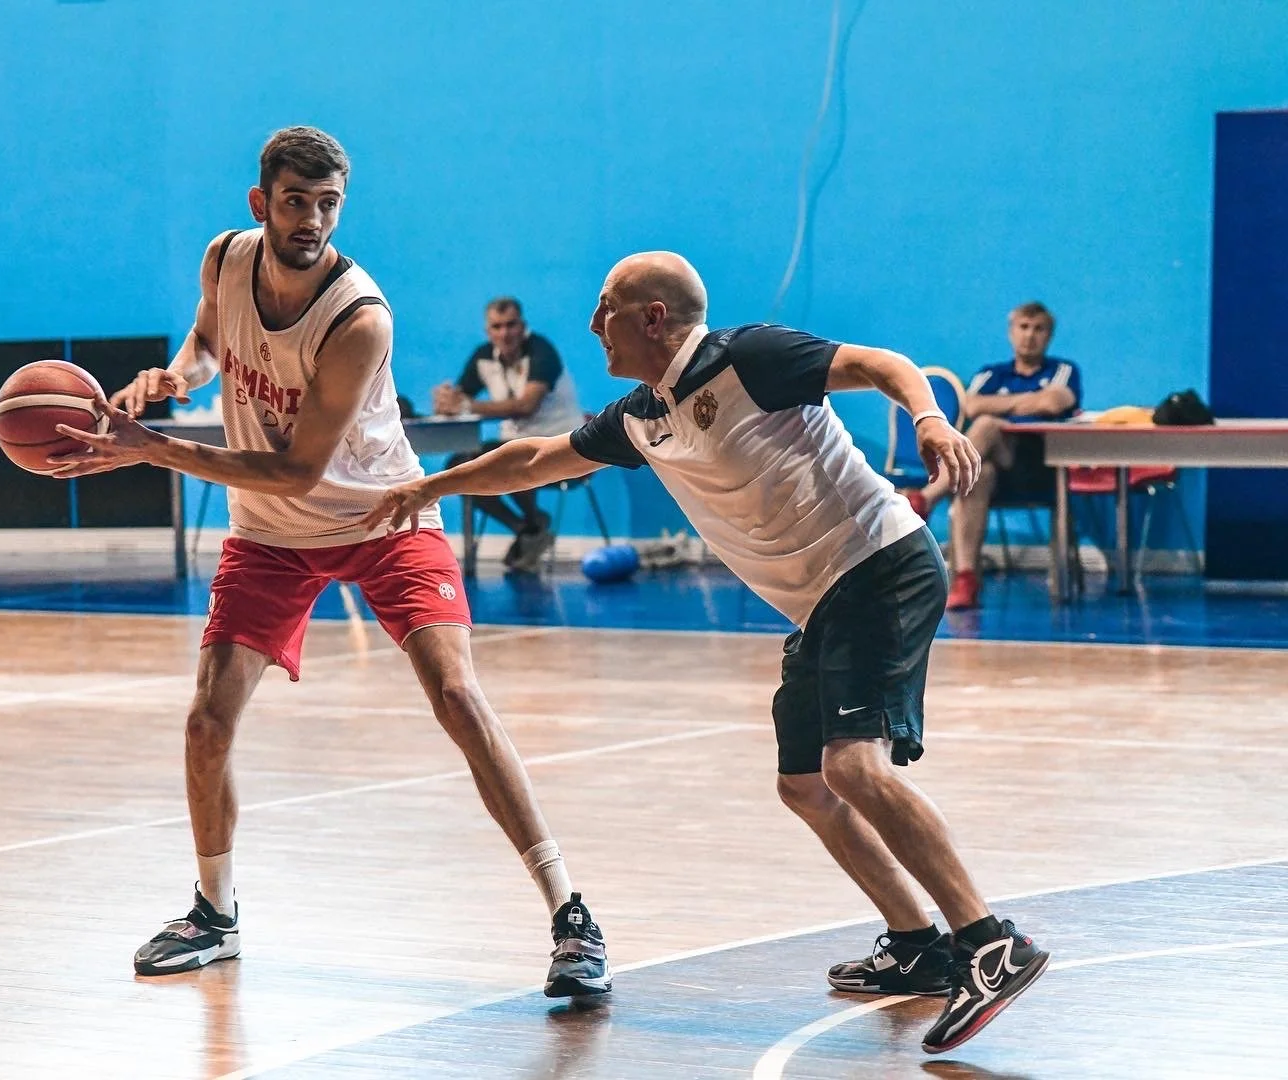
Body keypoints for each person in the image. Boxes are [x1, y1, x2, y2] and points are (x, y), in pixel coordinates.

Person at [363, 252, 1049, 1056]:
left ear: (654, 317)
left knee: (854, 766)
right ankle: (917, 943)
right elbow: (535, 459)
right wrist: (429, 488)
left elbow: (882, 363)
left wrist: (930, 419)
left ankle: (991, 944)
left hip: (878, 563)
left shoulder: (750, 358)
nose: (591, 323)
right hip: (823, 600)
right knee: (806, 784)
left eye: (606, 306)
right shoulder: (642, 416)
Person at [46, 127, 610, 998]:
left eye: (329, 204)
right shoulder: (226, 260)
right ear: (260, 202)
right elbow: (205, 343)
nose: (312, 220)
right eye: (297, 201)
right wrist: (173, 376)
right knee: (206, 724)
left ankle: (570, 913)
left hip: (383, 514)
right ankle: (215, 912)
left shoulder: (359, 318)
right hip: (271, 535)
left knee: (457, 696)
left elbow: (299, 468)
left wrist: (151, 449)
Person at [907, 302, 1082, 610]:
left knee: (987, 425)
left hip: (1038, 466)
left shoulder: (1062, 370)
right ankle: (966, 580)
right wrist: (1030, 402)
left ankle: (926, 498)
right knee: (978, 474)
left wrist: (1002, 406)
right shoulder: (992, 373)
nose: (1030, 336)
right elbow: (971, 406)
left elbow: (1055, 402)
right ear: (1011, 332)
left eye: (1038, 329)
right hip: (995, 467)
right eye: (1024, 328)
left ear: (1049, 335)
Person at [434, 298, 583, 572]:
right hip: (517, 445)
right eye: (497, 327)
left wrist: (465, 405)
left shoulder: (541, 352)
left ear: (522, 326)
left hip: (562, 446)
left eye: (511, 325)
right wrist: (445, 401)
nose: (505, 333)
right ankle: (528, 527)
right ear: (488, 331)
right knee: (461, 468)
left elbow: (526, 406)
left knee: (505, 458)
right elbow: (459, 397)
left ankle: (532, 526)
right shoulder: (483, 357)